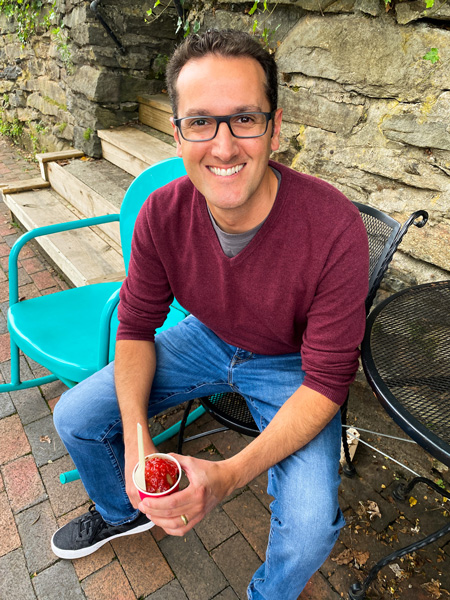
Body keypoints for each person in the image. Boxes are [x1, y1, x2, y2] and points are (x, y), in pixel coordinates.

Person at [51, 29, 369, 599]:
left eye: (244, 118)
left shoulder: (335, 229)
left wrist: (225, 478)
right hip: (206, 338)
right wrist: (138, 435)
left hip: (292, 365)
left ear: (274, 126)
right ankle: (126, 511)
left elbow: (327, 382)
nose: (223, 147)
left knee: (308, 530)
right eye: (200, 122)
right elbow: (136, 325)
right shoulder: (161, 214)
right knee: (75, 416)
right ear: (177, 132)